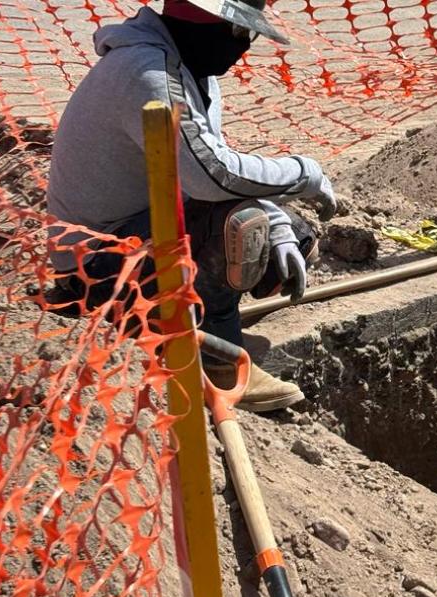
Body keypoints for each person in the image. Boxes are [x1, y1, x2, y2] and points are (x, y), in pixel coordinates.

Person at [46, 0, 336, 412]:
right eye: (240, 32)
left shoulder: (184, 65)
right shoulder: (149, 74)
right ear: (212, 22)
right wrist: (304, 174)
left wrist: (281, 225)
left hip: (135, 237)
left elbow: (208, 169)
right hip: (97, 272)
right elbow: (210, 176)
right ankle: (218, 357)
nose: (243, 47)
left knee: (289, 235)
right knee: (241, 226)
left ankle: (187, 322)